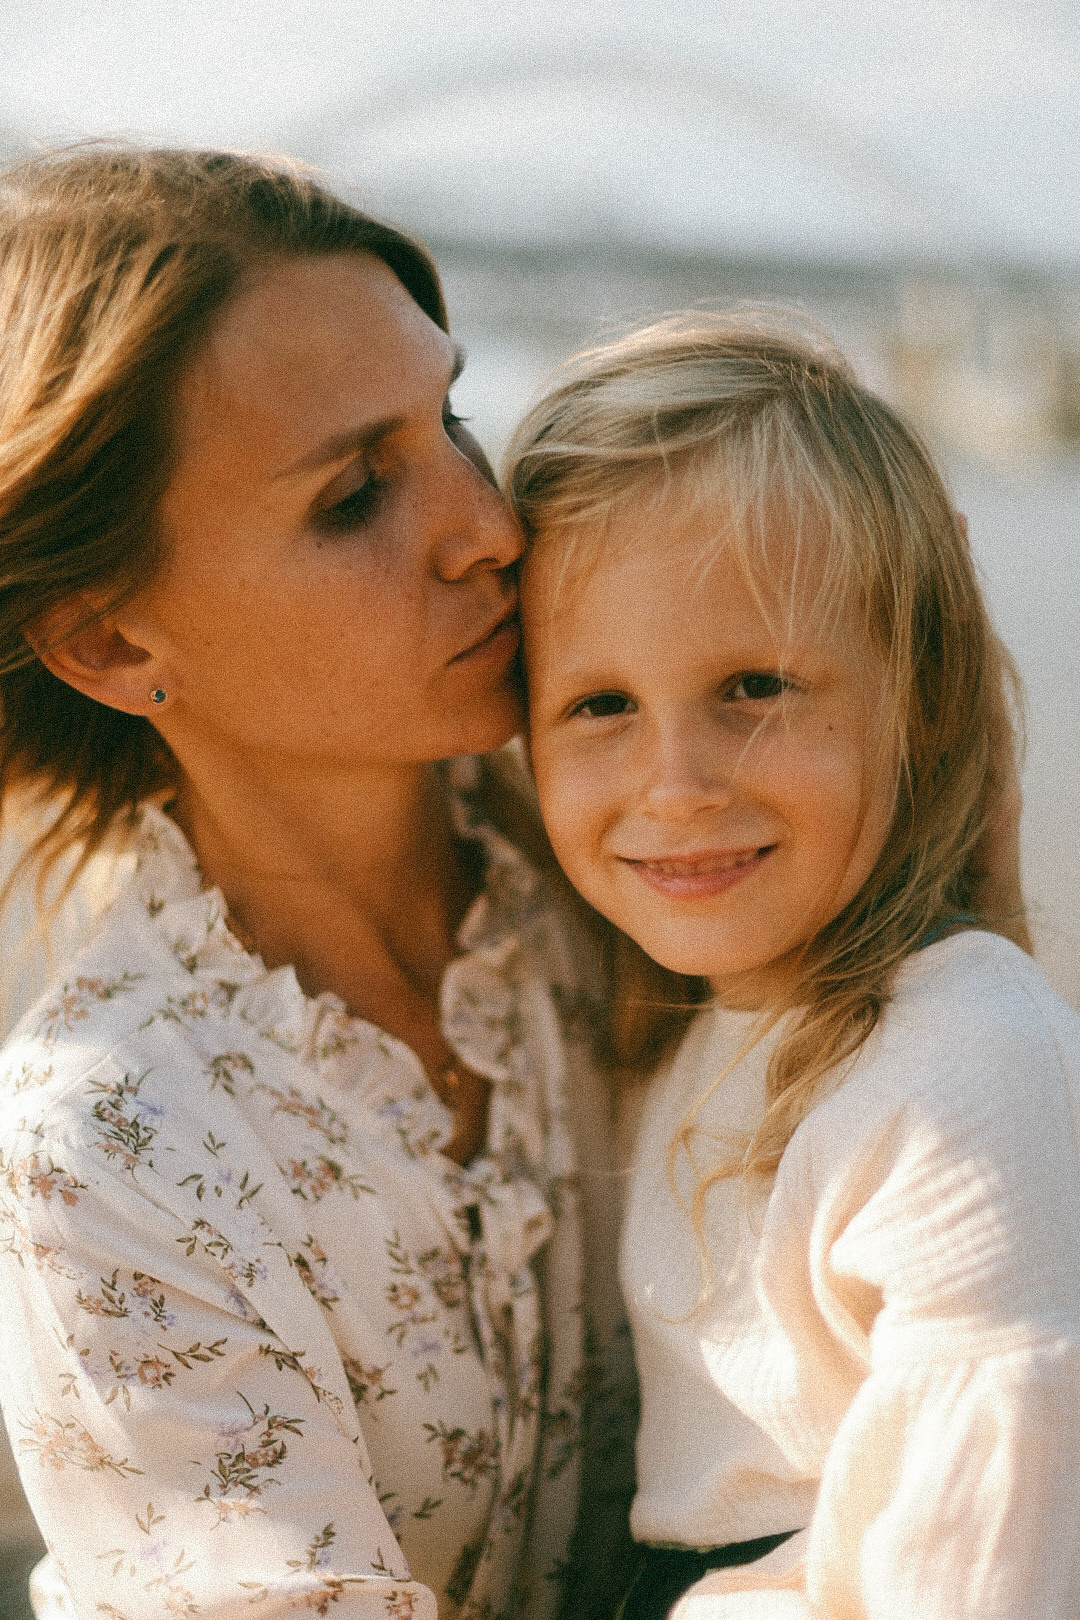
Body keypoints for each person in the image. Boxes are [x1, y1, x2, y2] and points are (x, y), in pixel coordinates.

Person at [0, 146, 637, 1620]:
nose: (491, 527)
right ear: (110, 645)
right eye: (356, 496)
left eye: (452, 421)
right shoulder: (110, 1141)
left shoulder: (639, 869)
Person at [510, 314, 1080, 1619]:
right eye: (598, 704)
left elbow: (996, 1557)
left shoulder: (965, 1081)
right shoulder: (682, 1030)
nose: (677, 785)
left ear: (920, 700)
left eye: (755, 686)